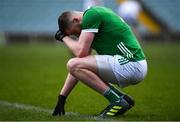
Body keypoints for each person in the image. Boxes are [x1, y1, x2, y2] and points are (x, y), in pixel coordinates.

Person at [52, 6, 147, 117]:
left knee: (73, 63)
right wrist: (62, 97)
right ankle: (123, 98)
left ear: (76, 20)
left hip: (130, 63)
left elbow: (79, 53)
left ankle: (117, 101)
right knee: (76, 64)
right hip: (130, 64)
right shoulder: (93, 18)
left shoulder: (91, 15)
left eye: (75, 32)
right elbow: (79, 64)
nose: (77, 36)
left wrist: (64, 38)